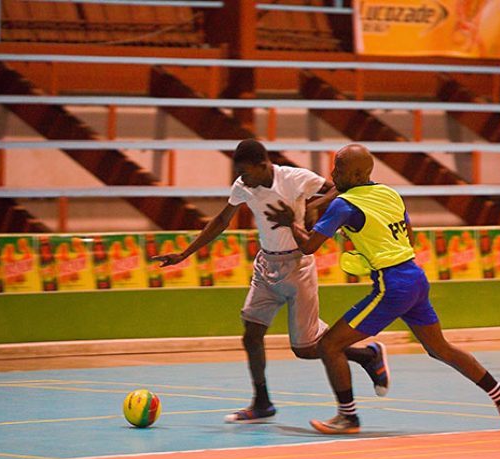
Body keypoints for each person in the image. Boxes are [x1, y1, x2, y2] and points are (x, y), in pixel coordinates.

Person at [265, 143, 500, 435]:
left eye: (340, 169)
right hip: (414, 277)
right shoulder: (389, 193)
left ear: (358, 174)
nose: (333, 173)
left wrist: (290, 223)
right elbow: (408, 236)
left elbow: (309, 246)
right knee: (439, 348)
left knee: (329, 345)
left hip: (393, 284)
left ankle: (348, 417)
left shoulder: (344, 205)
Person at [153, 139, 389, 424]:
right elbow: (221, 221)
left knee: (305, 349)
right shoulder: (243, 187)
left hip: (297, 266)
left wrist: (310, 209)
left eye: (246, 171)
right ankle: (262, 402)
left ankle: (367, 355)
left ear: (263, 165)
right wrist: (185, 253)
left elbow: (339, 190)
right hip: (266, 266)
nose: (241, 178)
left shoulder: (293, 178)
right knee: (251, 335)